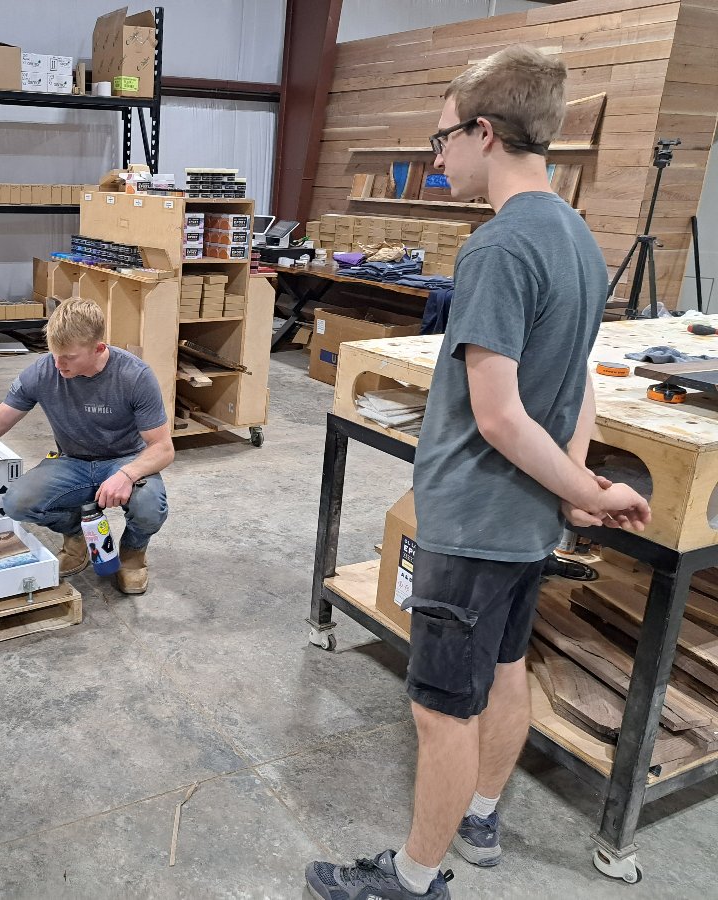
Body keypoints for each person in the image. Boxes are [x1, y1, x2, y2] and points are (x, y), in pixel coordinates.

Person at [304, 47, 651, 900]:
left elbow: (498, 415)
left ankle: (415, 880)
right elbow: (573, 391)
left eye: (442, 139)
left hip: (475, 521)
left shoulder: (498, 248)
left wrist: (582, 492)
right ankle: (484, 813)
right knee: (502, 671)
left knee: (438, 709)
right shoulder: (574, 236)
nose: (436, 158)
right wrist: (578, 486)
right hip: (526, 520)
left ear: (483, 132)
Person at [0, 298, 173, 592]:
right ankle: (78, 537)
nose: (59, 365)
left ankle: (132, 555)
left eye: (69, 357)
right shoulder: (43, 371)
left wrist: (127, 474)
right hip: (73, 460)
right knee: (18, 501)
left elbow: (162, 448)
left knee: (150, 506)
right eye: (54, 354)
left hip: (123, 459)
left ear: (98, 348)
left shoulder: (134, 376)